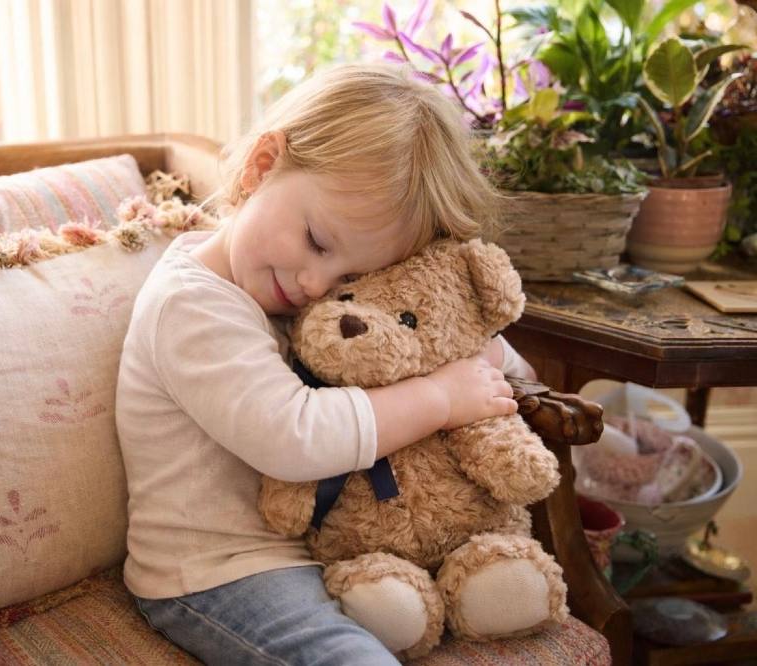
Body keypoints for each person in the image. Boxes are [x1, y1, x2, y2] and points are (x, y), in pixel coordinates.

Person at [115, 62, 537, 665]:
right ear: (263, 166)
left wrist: (493, 363)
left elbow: (420, 335)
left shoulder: (288, 285)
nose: (317, 284)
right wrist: (441, 399)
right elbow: (294, 436)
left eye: (353, 277)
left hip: (331, 554)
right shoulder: (193, 306)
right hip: (218, 572)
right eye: (316, 240)